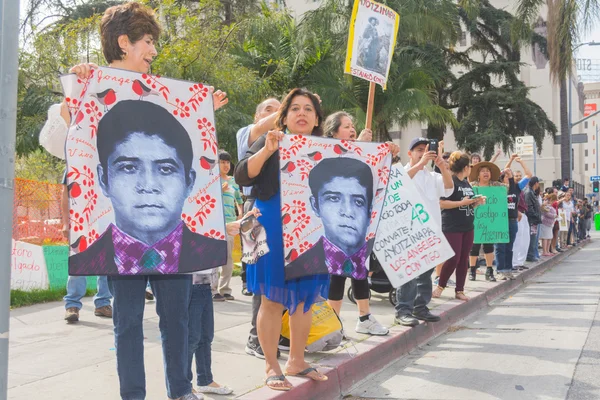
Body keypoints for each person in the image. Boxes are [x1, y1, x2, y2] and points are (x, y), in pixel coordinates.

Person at [63, 4, 227, 399]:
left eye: (166, 170)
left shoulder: (170, 95)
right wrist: (78, 89)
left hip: (179, 249)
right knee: (127, 325)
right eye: (149, 41)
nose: (154, 50)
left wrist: (207, 109)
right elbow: (70, 143)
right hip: (117, 249)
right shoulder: (89, 87)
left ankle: (181, 390)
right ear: (125, 42)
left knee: (178, 322)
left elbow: (194, 135)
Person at [234, 88, 330, 391]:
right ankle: (271, 365)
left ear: (317, 119)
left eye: (308, 109)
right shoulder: (270, 140)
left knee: (304, 300)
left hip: (309, 229)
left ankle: (297, 360)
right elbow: (241, 176)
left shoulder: (327, 148)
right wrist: (267, 151)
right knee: (272, 299)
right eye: (295, 109)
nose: (301, 113)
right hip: (269, 225)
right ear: (284, 117)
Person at [68, 100, 227, 275]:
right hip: (118, 280)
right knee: (125, 303)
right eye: (128, 167)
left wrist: (205, 104)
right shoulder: (85, 262)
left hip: (186, 277)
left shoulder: (212, 254)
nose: (148, 186)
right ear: (103, 179)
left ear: (189, 181)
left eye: (166, 169)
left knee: (177, 302)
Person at [40, 106, 113, 323]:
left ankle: (103, 303)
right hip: (81, 220)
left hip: (106, 219)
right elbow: (66, 192)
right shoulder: (76, 158)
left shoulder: (111, 160)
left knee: (107, 261)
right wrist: (66, 222)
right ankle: (72, 305)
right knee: (79, 262)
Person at [322, 111, 387, 336]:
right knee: (337, 272)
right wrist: (359, 146)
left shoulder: (360, 151)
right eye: (346, 126)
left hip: (358, 222)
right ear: (333, 132)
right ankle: (334, 324)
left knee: (360, 268)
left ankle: (365, 318)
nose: (351, 130)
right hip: (335, 223)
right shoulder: (325, 152)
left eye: (353, 126)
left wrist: (380, 150)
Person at [187, 209, 260, 397]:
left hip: (205, 276)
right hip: (188, 278)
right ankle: (183, 385)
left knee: (205, 335)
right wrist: (222, 228)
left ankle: (204, 379)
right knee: (191, 336)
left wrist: (241, 221)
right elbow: (187, 228)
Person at [235, 98, 282, 360]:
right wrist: (291, 106)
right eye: (269, 110)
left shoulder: (287, 140)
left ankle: (278, 335)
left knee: (282, 275)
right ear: (256, 116)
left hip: (282, 210)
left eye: (279, 110)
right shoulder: (248, 133)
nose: (275, 115)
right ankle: (256, 338)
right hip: (254, 208)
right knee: (262, 276)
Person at [394, 137, 453, 327]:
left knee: (425, 274)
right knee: (409, 273)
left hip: (430, 232)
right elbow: (400, 184)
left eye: (426, 149)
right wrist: (420, 164)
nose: (423, 152)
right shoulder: (401, 172)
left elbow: (449, 189)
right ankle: (403, 310)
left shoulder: (433, 176)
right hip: (408, 231)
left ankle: (421, 307)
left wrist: (443, 166)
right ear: (409, 153)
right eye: (419, 149)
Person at [434, 151, 485, 301]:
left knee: (464, 259)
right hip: (452, 225)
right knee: (453, 258)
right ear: (465, 167)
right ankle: (440, 286)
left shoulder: (466, 182)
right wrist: (462, 203)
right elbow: (442, 203)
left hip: (468, 225)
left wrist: (476, 202)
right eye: (469, 165)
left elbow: (467, 204)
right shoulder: (451, 181)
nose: (470, 168)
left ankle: (460, 290)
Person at [212, 150, 243, 302]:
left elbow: (239, 199)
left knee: (228, 258)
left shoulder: (233, 181)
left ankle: (225, 289)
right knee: (214, 257)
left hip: (231, 223)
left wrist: (241, 214)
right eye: (222, 162)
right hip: (215, 223)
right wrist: (218, 190)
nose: (225, 165)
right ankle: (212, 289)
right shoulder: (212, 181)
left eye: (227, 162)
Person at [468, 161, 505, 282]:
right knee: (474, 246)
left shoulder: (496, 186)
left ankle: (489, 270)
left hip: (490, 219)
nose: (486, 173)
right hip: (475, 220)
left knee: (489, 246)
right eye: (483, 171)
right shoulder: (472, 186)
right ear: (478, 174)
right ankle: (472, 269)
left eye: (488, 171)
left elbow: (505, 192)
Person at [496, 155, 531, 279]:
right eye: (505, 175)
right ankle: (500, 270)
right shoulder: (498, 187)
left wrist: (521, 162)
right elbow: (504, 170)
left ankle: (508, 269)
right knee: (500, 246)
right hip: (500, 220)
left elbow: (528, 175)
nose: (507, 175)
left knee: (509, 246)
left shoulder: (516, 187)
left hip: (512, 221)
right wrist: (509, 161)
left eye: (509, 174)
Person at [524, 177, 542, 263]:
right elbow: (529, 207)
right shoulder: (528, 192)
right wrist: (535, 216)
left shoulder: (532, 192)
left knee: (534, 238)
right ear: (536, 183)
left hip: (534, 220)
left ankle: (532, 254)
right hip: (531, 220)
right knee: (531, 238)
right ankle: (530, 255)